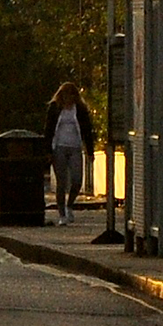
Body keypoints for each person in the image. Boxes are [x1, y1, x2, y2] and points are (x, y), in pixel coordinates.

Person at [46, 81, 96, 231]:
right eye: (66, 94)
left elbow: (87, 129)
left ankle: (70, 205)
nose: (69, 98)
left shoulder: (80, 109)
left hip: (75, 147)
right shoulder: (54, 108)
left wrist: (90, 150)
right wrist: (48, 150)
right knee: (61, 182)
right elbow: (48, 129)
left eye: (72, 95)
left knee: (77, 179)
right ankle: (62, 214)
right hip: (59, 147)